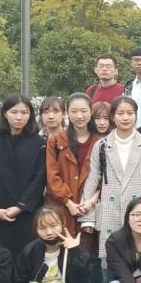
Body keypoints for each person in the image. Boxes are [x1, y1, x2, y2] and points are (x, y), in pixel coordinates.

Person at [79, 96, 141, 266]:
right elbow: (93, 178)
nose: (125, 118)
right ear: (113, 117)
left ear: (136, 116)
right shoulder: (102, 145)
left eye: (130, 113)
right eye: (120, 113)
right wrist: (88, 217)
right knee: (111, 264)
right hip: (110, 210)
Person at [0, 95, 47, 257]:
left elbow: (40, 178)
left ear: (30, 115)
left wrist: (20, 207)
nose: (19, 117)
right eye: (14, 112)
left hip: (28, 213)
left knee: (28, 257)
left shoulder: (39, 143)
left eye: (24, 112)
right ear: (5, 113)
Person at [45, 93, 100, 239]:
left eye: (84, 111)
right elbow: (52, 177)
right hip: (61, 208)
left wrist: (91, 201)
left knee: (86, 249)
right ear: (67, 113)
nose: (79, 116)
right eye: (74, 111)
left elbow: (104, 178)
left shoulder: (101, 142)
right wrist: (68, 202)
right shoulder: (55, 141)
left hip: (90, 210)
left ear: (91, 112)